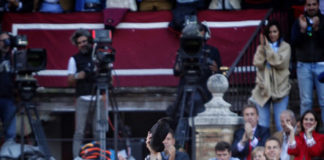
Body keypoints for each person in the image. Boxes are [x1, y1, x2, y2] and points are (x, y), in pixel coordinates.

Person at [67, 29, 107, 160]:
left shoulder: (99, 56)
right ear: (76, 45)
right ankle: (76, 157)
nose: (82, 44)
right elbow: (69, 80)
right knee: (79, 131)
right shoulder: (74, 59)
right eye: (79, 43)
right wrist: (80, 75)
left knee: (99, 130)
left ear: (90, 41)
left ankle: (100, 156)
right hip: (82, 97)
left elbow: (109, 75)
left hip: (99, 97)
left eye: (84, 41)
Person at [251, 20, 291, 131]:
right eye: (270, 32)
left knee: (281, 124)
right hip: (263, 89)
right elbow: (257, 63)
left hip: (281, 89)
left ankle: (283, 148)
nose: (272, 34)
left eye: (275, 31)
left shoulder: (285, 47)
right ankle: (263, 148)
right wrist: (264, 47)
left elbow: (278, 63)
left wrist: (267, 48)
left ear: (279, 32)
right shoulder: (261, 47)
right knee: (263, 124)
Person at [291, 0, 324, 124]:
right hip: (303, 64)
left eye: (314, 4)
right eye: (309, 5)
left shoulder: (323, 20)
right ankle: (306, 132)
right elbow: (294, 42)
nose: (311, 7)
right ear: (305, 6)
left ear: (318, 5)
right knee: (306, 101)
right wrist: (304, 31)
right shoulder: (299, 21)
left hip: (322, 64)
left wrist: (316, 29)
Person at [0, 32, 16, 144]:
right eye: (3, 41)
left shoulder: (14, 57)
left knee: (10, 133)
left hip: (9, 98)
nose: (6, 43)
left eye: (8, 41)